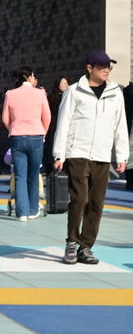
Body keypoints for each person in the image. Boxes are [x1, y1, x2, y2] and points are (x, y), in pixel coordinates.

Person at [53, 49, 129, 265]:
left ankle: (85, 247)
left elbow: (120, 126)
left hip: (103, 156)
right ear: (89, 68)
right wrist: (60, 154)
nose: (107, 70)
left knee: (96, 204)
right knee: (79, 199)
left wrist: (122, 154)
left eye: (109, 66)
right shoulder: (75, 91)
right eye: (102, 66)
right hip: (77, 153)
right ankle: (71, 242)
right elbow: (64, 123)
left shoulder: (115, 93)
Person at [2, 66, 51, 222]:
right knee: (34, 174)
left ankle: (21, 212)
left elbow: (5, 118)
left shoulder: (10, 94)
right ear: (30, 77)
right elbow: (47, 117)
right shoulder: (40, 93)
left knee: (19, 175)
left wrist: (13, 128)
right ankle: (33, 210)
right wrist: (43, 132)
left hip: (17, 135)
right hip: (36, 134)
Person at [43, 76, 69, 174]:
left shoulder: (68, 97)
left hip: (63, 126)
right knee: (50, 149)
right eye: (63, 83)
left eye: (66, 83)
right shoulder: (51, 98)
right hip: (53, 127)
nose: (65, 85)